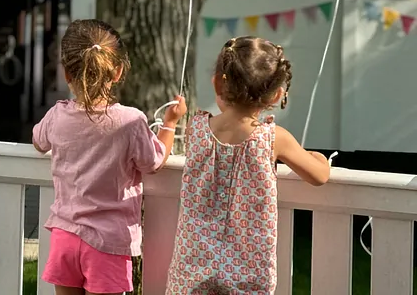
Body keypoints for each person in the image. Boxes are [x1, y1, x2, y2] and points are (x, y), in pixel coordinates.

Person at [33, 19, 187, 295]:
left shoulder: (57, 114)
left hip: (64, 236)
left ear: (67, 74)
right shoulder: (129, 121)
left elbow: (38, 141)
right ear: (117, 72)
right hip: (107, 242)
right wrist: (170, 124)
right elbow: (154, 160)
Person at [166, 37, 330, 295]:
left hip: (193, 264)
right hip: (247, 269)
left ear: (217, 82)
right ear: (277, 94)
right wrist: (319, 158)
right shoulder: (273, 137)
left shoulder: (195, 128)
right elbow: (319, 176)